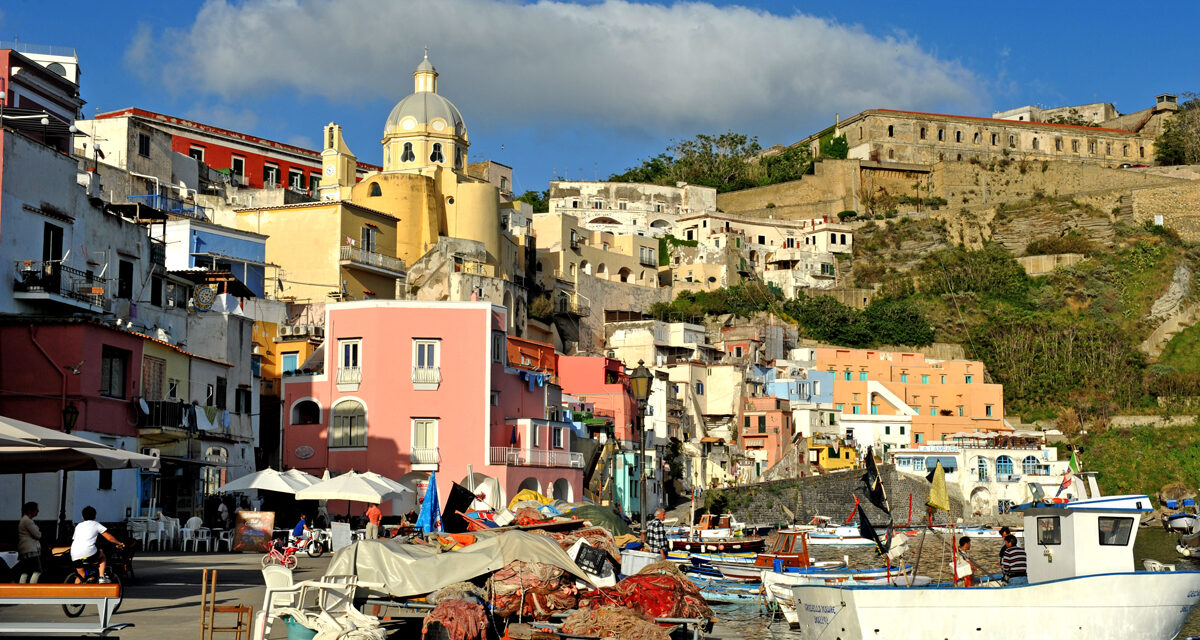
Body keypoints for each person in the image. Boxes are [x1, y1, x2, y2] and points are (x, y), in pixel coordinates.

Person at [71, 506, 124, 583]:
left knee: (81, 575)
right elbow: (109, 537)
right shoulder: (96, 524)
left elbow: (76, 539)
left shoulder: (78, 526)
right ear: (95, 516)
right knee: (102, 555)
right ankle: (102, 577)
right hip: (88, 552)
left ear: (82, 517)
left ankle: (74, 592)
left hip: (74, 554)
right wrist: (119, 543)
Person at [16, 502, 42, 583]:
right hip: (30, 550)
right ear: (32, 510)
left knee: (25, 571)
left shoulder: (24, 520)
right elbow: (38, 535)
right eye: (36, 509)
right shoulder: (28, 521)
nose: (38, 511)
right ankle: (32, 588)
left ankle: (22, 589)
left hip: (24, 550)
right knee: (37, 570)